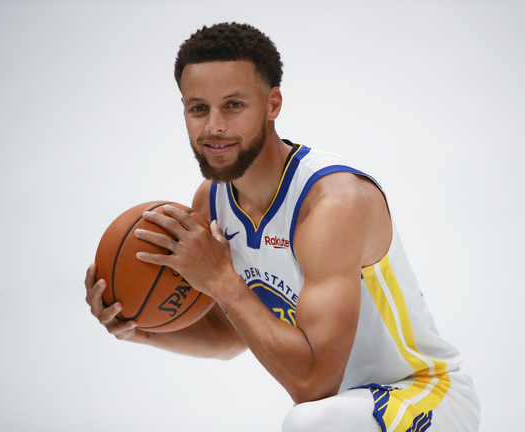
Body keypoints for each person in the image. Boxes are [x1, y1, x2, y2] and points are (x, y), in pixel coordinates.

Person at [84, 22, 480, 431]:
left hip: (422, 396)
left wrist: (222, 279)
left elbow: (314, 384)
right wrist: (139, 330)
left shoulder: (332, 205)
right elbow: (230, 335)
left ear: (272, 104)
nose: (214, 126)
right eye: (198, 108)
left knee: (310, 422)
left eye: (234, 105)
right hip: (350, 412)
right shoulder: (213, 202)